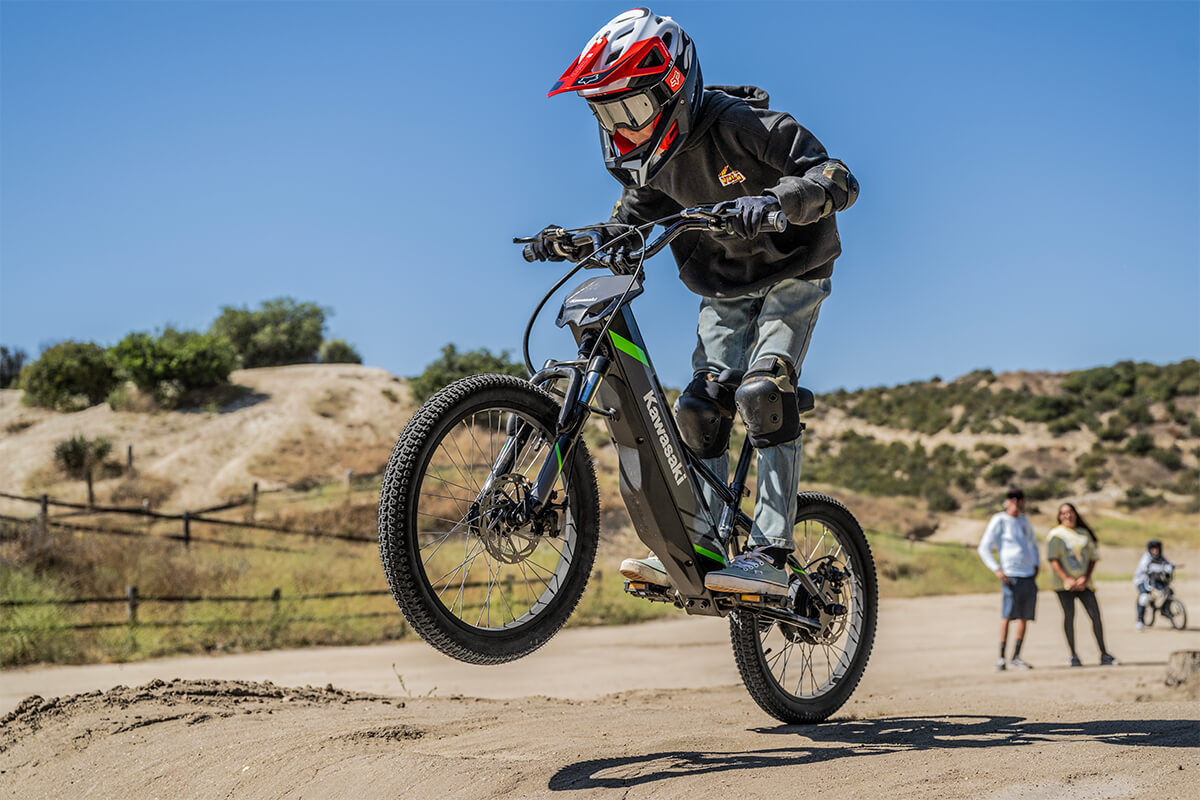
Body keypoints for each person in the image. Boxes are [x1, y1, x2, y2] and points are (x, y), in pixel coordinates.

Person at [531, 7, 858, 597]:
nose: (623, 129)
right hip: (723, 285)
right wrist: (582, 237)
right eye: (607, 113)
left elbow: (836, 177)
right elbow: (629, 222)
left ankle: (772, 552)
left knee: (763, 394)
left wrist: (781, 201)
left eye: (630, 109)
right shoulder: (651, 169)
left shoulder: (742, 125)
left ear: (673, 87)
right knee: (701, 408)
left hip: (793, 272)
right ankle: (701, 545)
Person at [1046, 503, 1116, 666]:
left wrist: (1085, 577)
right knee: (1069, 617)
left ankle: (1104, 653)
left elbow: (1092, 558)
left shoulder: (1084, 534)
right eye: (1063, 513)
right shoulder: (1055, 534)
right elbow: (1053, 559)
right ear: (1059, 516)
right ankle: (1073, 655)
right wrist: (1067, 579)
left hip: (1085, 583)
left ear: (1075, 514)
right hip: (1064, 585)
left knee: (1095, 617)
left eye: (1069, 512)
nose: (1067, 516)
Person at [977, 487, 1040, 671]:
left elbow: (1032, 544)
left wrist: (1036, 564)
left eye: (1018, 498)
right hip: (1010, 574)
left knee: (1024, 616)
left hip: (1028, 574)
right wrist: (997, 569)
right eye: (1011, 498)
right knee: (1007, 615)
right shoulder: (1000, 520)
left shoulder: (1024, 521)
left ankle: (1017, 657)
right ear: (1006, 501)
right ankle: (1001, 658)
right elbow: (984, 547)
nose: (1015, 502)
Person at [1134, 539, 1175, 630]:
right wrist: (1160, 568)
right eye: (1153, 549)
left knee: (1169, 592)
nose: (1155, 551)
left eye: (1157, 549)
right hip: (1142, 580)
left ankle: (1165, 610)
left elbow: (1166, 565)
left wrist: (1170, 567)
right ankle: (1140, 620)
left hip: (1155, 580)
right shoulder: (1146, 557)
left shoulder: (1161, 557)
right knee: (1144, 597)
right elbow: (1145, 568)